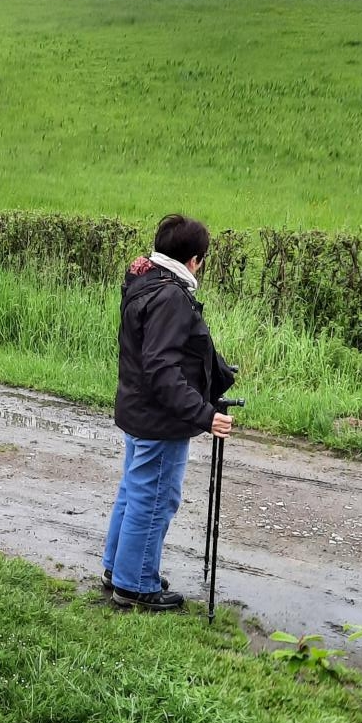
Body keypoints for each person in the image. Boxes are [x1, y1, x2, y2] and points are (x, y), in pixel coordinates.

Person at [102, 213, 235, 612]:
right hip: (160, 418)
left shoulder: (144, 279)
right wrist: (204, 414)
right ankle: (136, 583)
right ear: (195, 260)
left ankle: (118, 569)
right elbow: (162, 368)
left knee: (134, 490)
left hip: (139, 408)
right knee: (155, 495)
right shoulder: (172, 296)